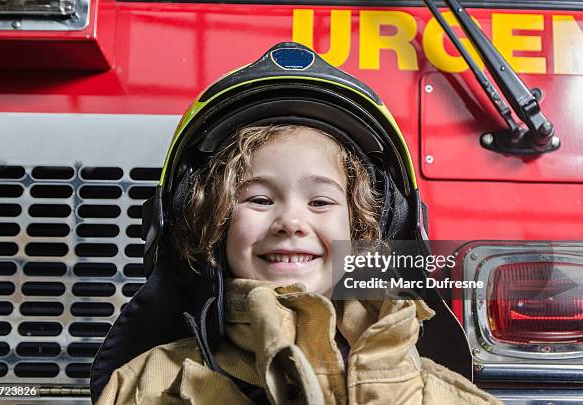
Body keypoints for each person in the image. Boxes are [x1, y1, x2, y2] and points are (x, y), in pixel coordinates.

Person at [92, 43, 502, 404]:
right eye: (259, 199)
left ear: (366, 230)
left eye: (320, 201)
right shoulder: (145, 385)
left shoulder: (436, 395)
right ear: (209, 223)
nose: (290, 220)